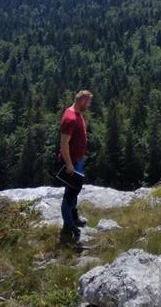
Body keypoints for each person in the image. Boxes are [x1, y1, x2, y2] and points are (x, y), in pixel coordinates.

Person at [57, 89, 92, 245]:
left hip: (78, 160)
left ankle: (74, 217)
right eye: (88, 102)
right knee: (69, 194)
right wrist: (70, 164)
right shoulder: (70, 117)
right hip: (72, 162)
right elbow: (64, 143)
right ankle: (68, 226)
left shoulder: (77, 113)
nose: (89, 105)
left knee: (75, 189)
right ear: (82, 101)